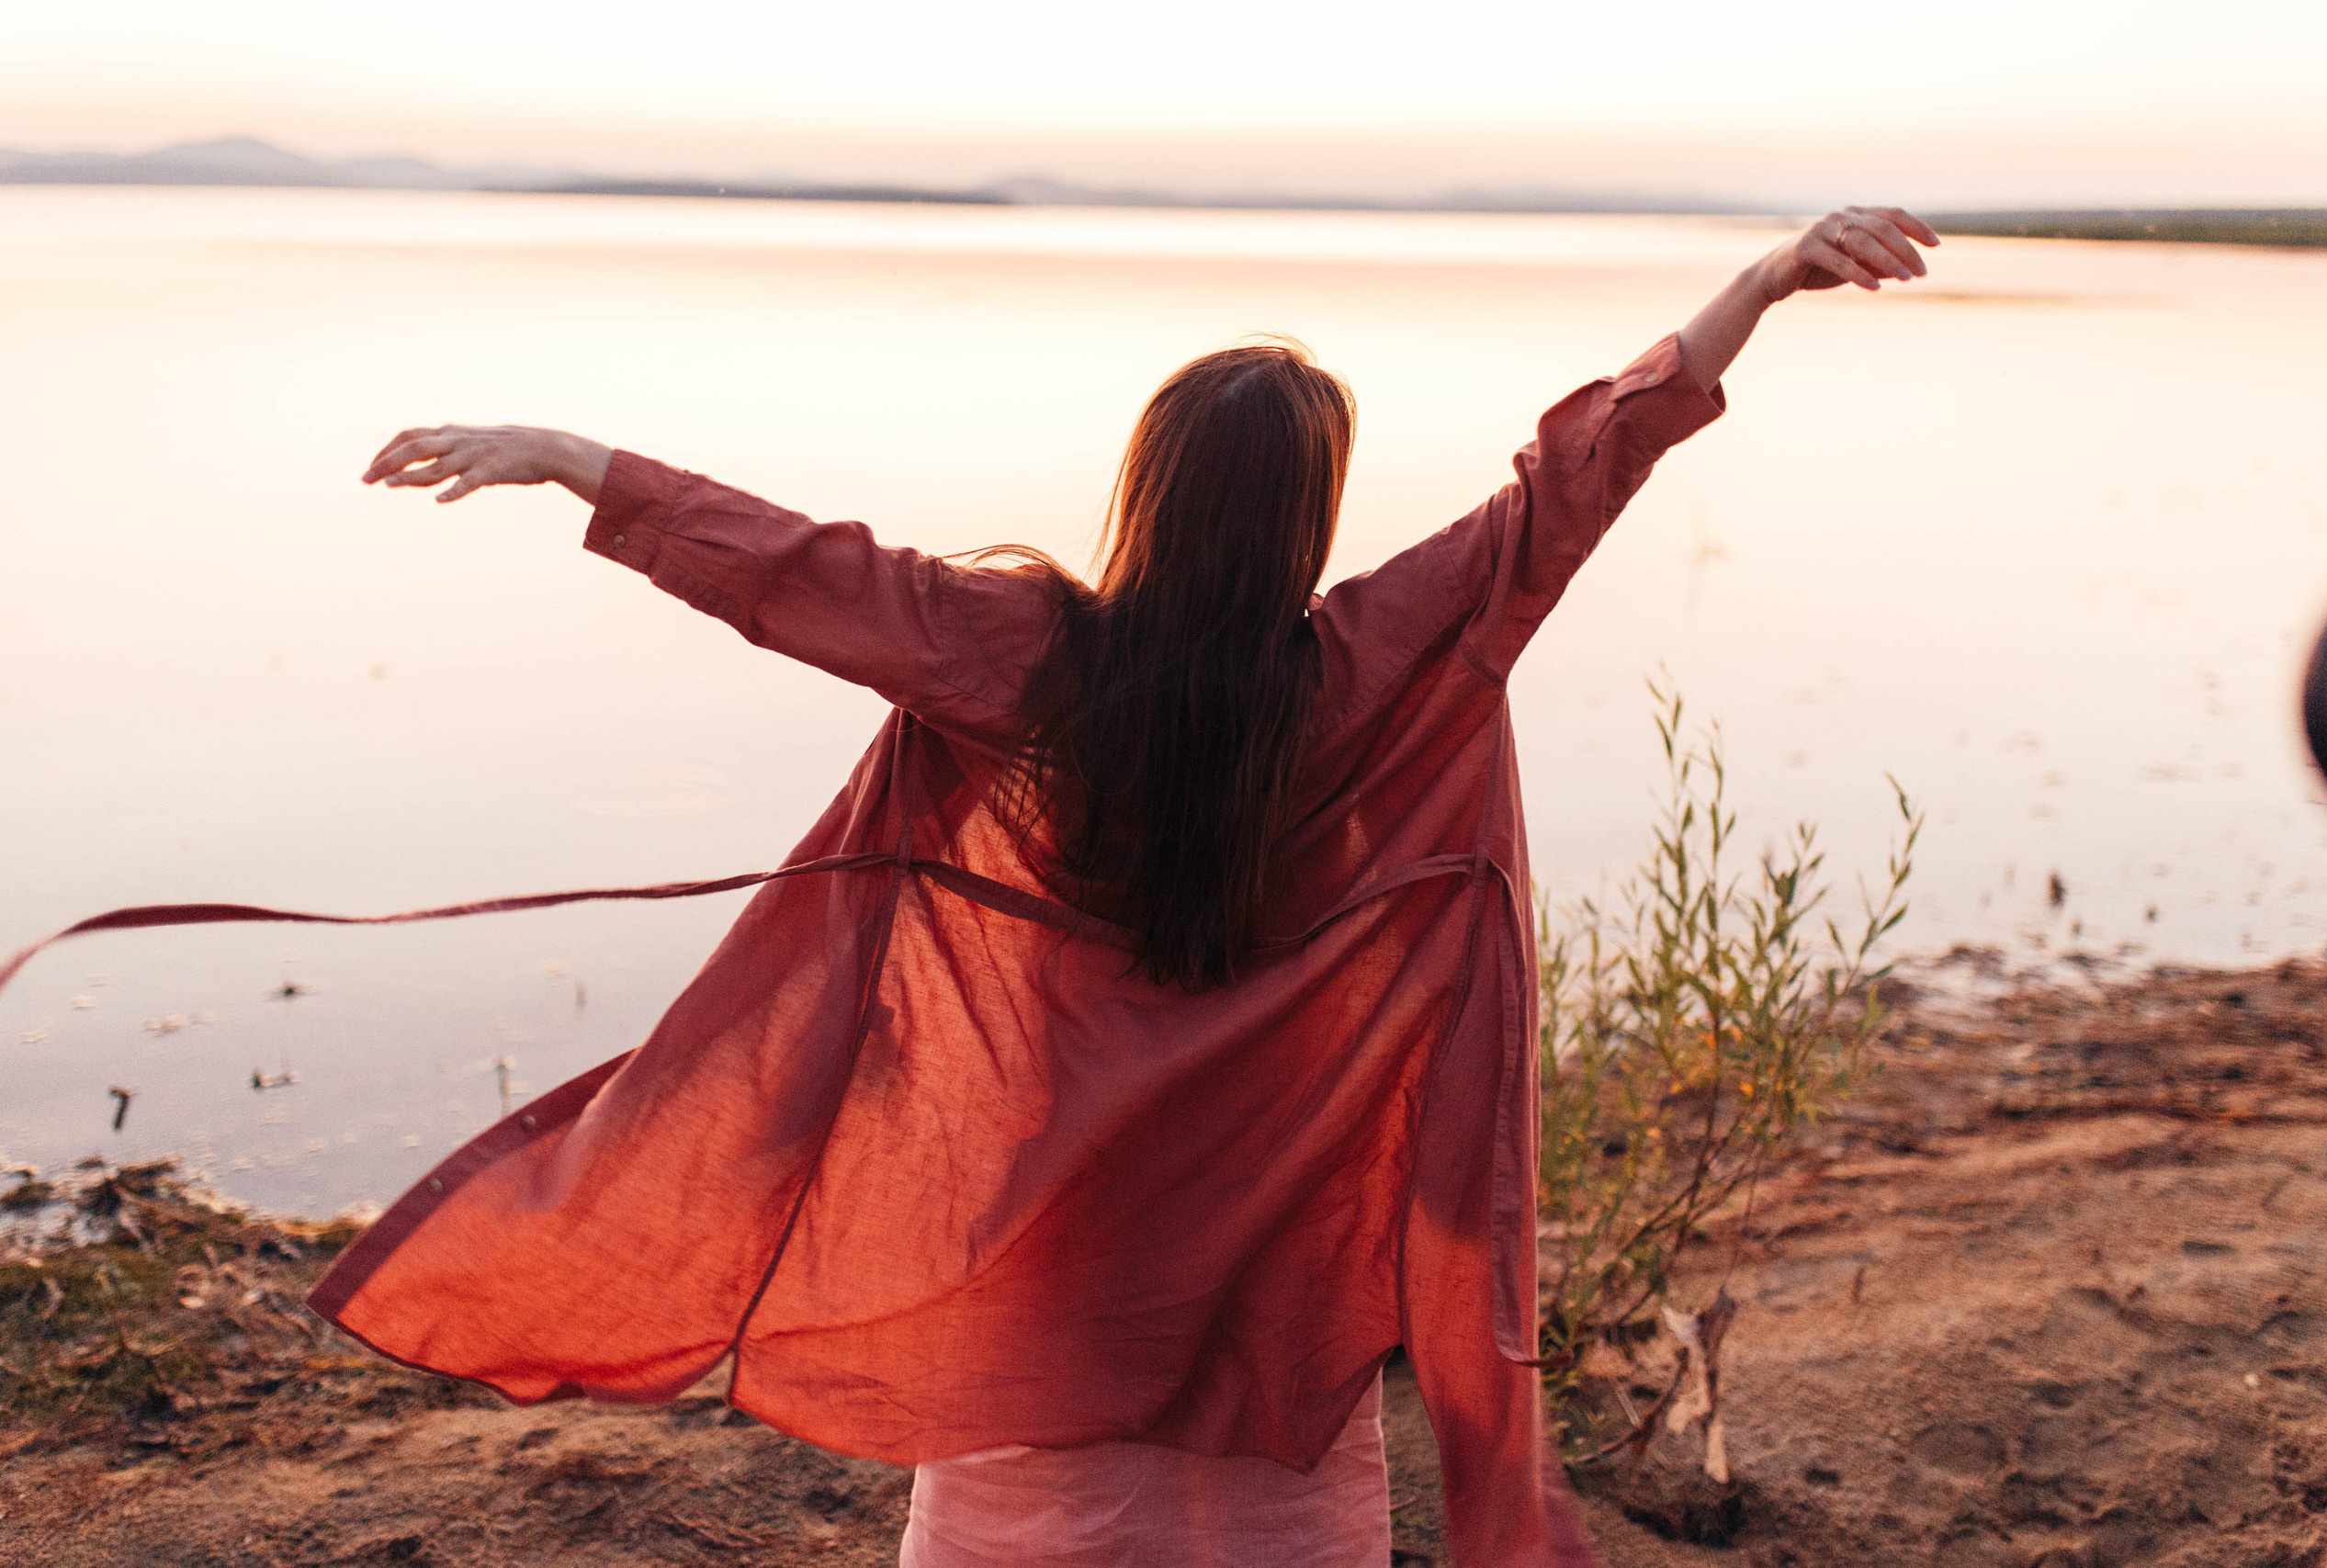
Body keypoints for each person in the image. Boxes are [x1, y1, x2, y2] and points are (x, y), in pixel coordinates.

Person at [306, 204, 1938, 1567]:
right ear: (1307, 521)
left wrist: (566, 455)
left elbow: (802, 575)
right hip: (1287, 1246)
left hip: (1058, 1225)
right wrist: (1767, 281)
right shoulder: (1375, 666)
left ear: (1147, 489)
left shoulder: (1028, 656)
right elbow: (1573, 481)